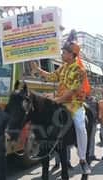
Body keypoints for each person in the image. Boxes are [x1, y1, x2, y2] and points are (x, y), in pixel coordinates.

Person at [31, 40, 91, 174]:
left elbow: (74, 89)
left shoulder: (80, 70)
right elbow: (52, 77)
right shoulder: (62, 67)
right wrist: (38, 69)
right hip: (59, 100)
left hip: (74, 104)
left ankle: (83, 159)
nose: (62, 54)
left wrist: (58, 99)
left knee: (81, 128)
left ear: (71, 54)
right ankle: (42, 148)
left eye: (64, 52)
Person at [85, 95, 100, 163]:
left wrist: (98, 118)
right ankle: (85, 156)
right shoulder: (82, 99)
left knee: (92, 139)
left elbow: (97, 109)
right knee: (84, 140)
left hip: (93, 122)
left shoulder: (95, 99)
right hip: (85, 123)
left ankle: (92, 155)